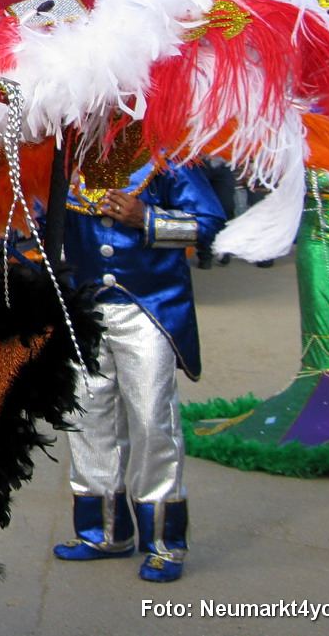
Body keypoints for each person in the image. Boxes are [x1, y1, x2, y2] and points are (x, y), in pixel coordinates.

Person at [52, 162, 226, 583]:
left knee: (152, 420)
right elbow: (42, 221)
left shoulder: (168, 158)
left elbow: (208, 224)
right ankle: (104, 533)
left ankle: (165, 543)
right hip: (84, 309)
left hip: (149, 309)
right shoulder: (66, 154)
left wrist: (145, 218)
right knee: (88, 418)